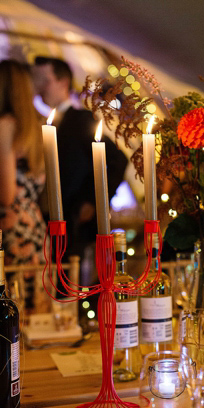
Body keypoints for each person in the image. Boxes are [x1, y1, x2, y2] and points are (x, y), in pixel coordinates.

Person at [31, 56, 127, 263]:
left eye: (45, 81)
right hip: (44, 220)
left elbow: (118, 160)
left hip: (73, 220)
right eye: (36, 81)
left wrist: (92, 201)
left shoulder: (81, 120)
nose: (40, 88)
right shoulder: (39, 123)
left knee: (69, 280)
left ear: (63, 82)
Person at [0, 60, 45, 266]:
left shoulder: (6, 125)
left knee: (11, 296)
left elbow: (7, 196)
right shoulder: (37, 127)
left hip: (10, 229)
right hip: (33, 225)